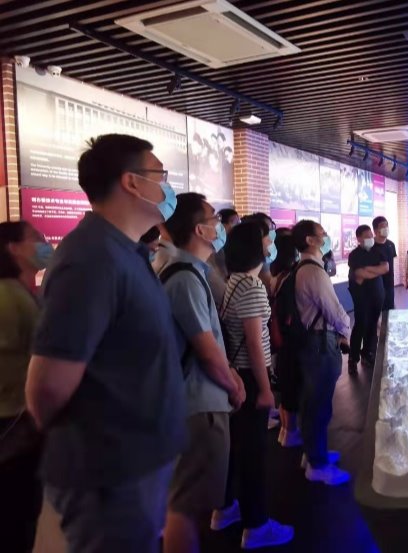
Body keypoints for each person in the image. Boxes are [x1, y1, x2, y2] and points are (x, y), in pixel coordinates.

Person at [26, 134, 187, 553]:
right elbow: (46, 387)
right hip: (109, 477)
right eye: (160, 175)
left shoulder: (124, 252)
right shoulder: (91, 257)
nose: (167, 187)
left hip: (132, 469)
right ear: (132, 182)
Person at [158, 193, 246, 553]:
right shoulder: (184, 278)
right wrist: (234, 386)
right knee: (185, 507)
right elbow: (206, 350)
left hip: (198, 399)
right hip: (198, 405)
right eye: (213, 219)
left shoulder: (190, 272)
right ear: (200, 229)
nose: (219, 226)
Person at [212, 222, 294, 549]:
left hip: (238, 372)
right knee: (254, 454)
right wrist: (265, 389)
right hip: (249, 375)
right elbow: (254, 343)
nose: (271, 244)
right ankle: (256, 526)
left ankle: (225, 508)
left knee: (236, 448)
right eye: (267, 239)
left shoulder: (234, 280)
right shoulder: (252, 286)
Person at [0, 221, 51, 553]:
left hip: (19, 425)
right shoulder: (9, 297)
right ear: (14, 248)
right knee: (14, 519)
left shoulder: (22, 293)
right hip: (13, 426)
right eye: (37, 238)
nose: (45, 243)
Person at [292, 220, 352, 485]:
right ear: (310, 240)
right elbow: (334, 310)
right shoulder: (314, 273)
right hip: (320, 343)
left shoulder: (303, 268)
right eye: (322, 233)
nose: (326, 237)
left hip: (312, 342)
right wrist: (346, 329)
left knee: (312, 402)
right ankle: (317, 465)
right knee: (319, 404)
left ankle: (313, 453)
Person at [270, 232, 303, 448]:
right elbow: (291, 312)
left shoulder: (276, 275)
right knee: (292, 387)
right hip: (290, 339)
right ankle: (290, 432)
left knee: (284, 386)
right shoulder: (291, 277)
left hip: (279, 338)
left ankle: (284, 430)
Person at [347, 224, 389, 374]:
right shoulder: (354, 255)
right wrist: (375, 271)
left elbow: (385, 268)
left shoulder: (377, 251)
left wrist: (368, 270)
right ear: (359, 238)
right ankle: (353, 358)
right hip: (361, 296)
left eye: (371, 235)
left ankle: (368, 354)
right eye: (367, 236)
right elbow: (359, 275)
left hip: (377, 295)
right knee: (360, 324)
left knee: (372, 325)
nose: (371, 238)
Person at [370, 216, 397, 311]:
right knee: (376, 313)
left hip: (389, 285)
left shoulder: (391, 245)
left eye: (387, 225)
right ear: (375, 230)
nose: (386, 228)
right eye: (382, 226)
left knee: (389, 312)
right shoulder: (370, 246)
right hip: (374, 286)